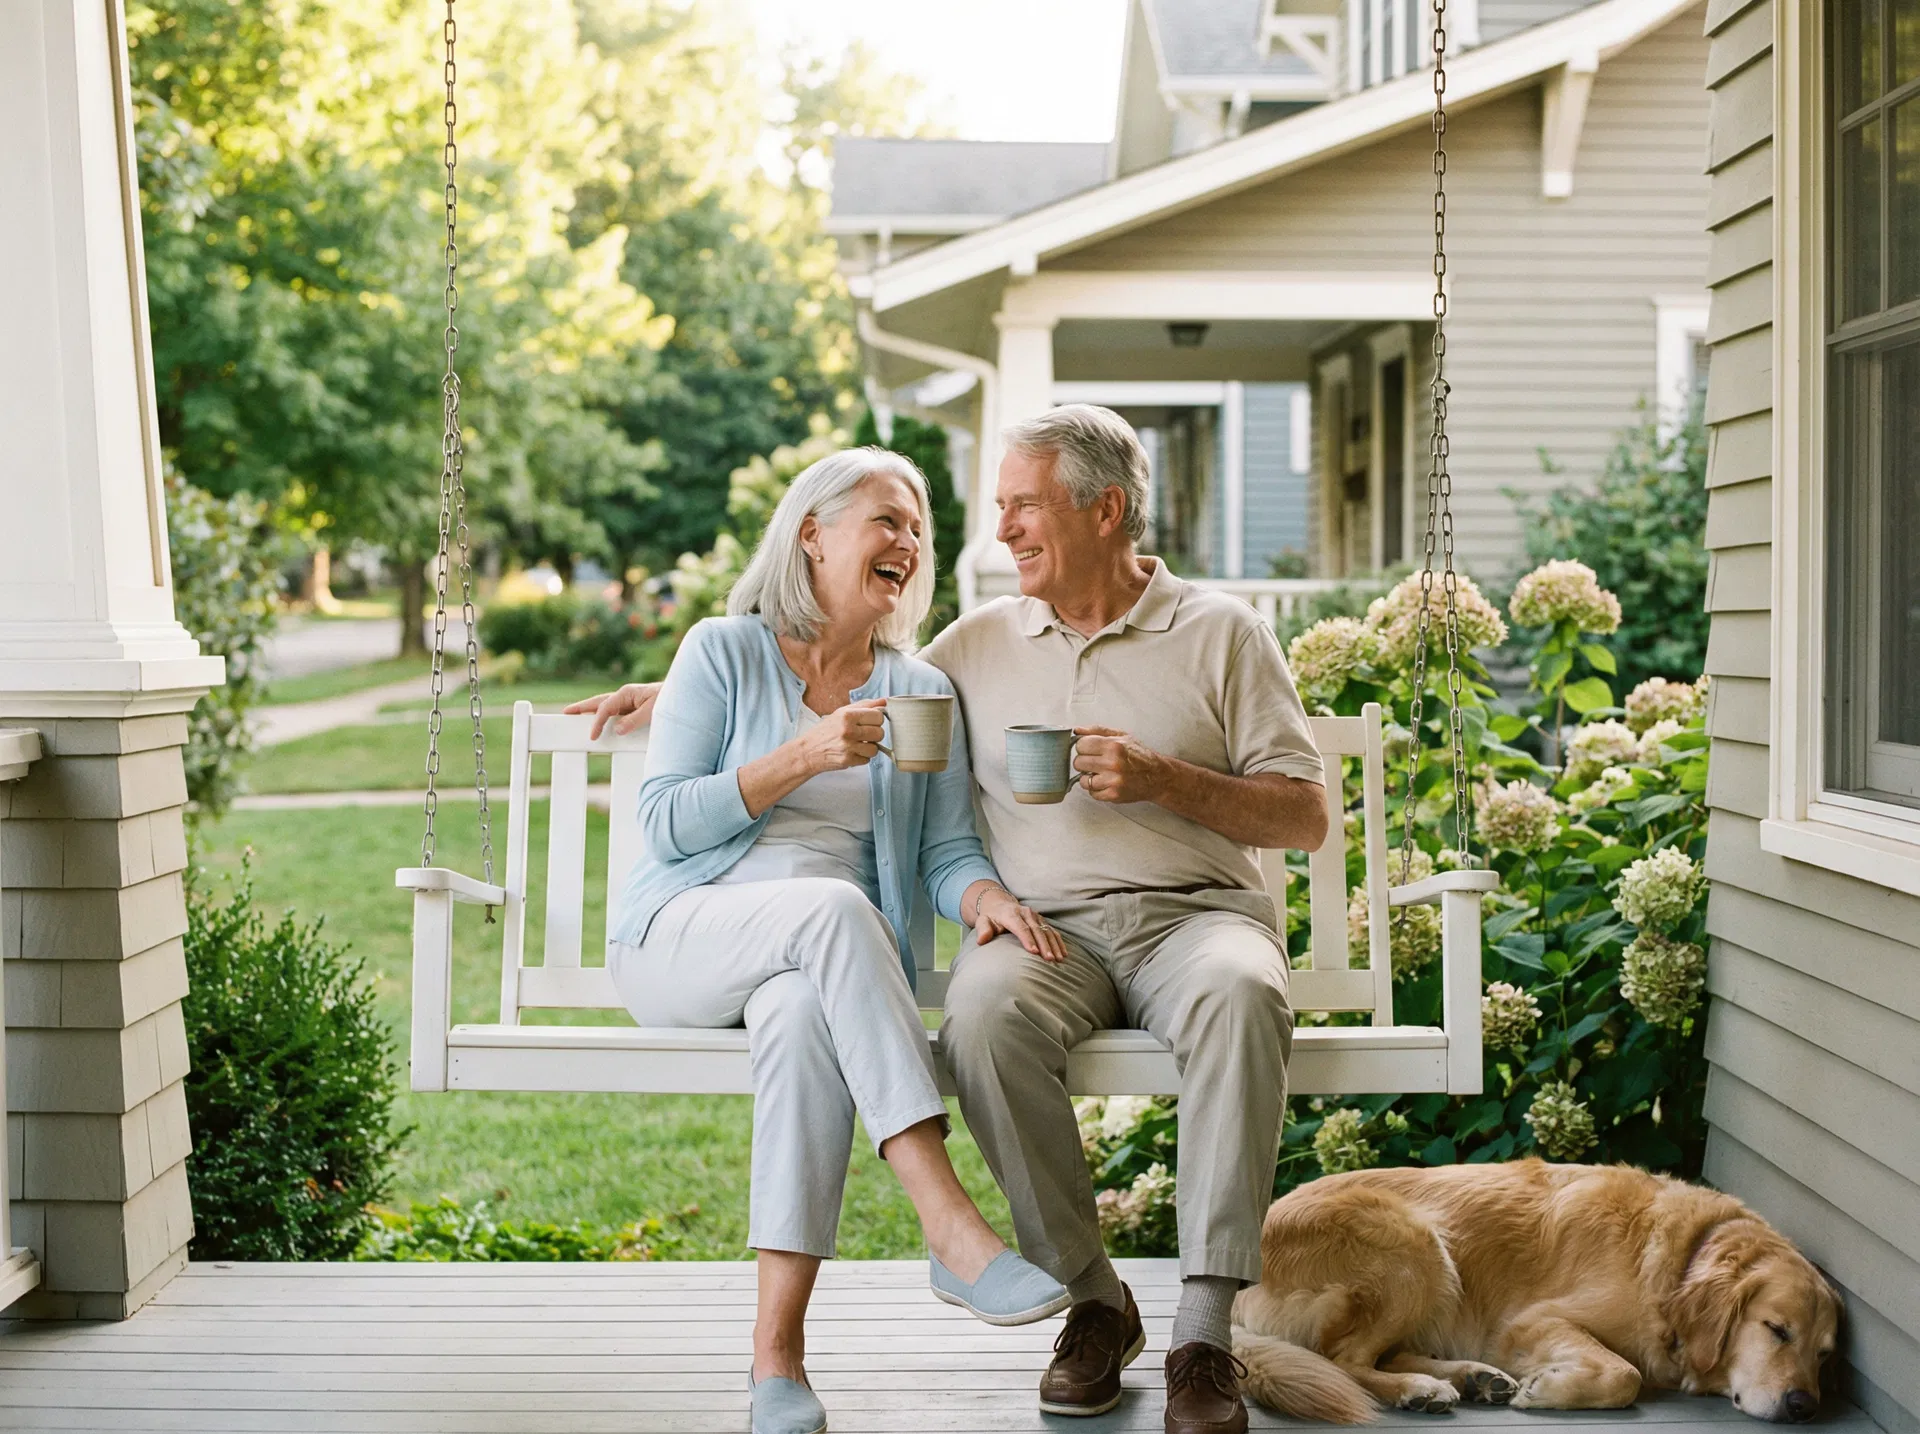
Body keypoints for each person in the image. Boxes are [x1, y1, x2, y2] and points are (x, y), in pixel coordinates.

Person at [578, 407, 1329, 1434]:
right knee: (956, 1001)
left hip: (1180, 922)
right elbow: (771, 704)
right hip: (788, 929)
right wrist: (692, 700)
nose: (994, 533)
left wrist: (1116, 810)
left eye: (1019, 507)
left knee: (1235, 992)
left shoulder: (1200, 637)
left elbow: (1301, 816)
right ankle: (1023, 1263)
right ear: (812, 531)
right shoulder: (943, 646)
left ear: (1104, 509)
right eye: (982, 511)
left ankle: (1191, 1337)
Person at [571, 448, 1070, 1434]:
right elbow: (666, 823)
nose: (908, 540)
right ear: (812, 532)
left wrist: (980, 896)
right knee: (835, 911)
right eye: (887, 518)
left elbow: (947, 844)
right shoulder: (722, 651)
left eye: (918, 527)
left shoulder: (920, 687)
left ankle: (776, 1367)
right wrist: (803, 755)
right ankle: (947, 1219)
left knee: (804, 1014)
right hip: (682, 936)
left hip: (809, 970)